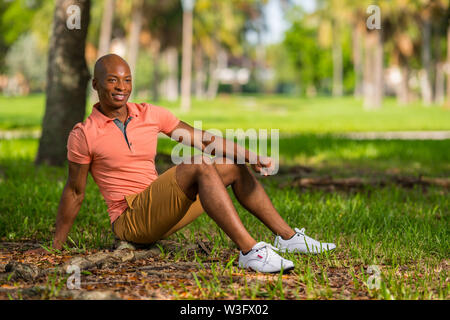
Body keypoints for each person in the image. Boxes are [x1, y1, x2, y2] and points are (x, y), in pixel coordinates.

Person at [30, 54, 335, 273]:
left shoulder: (149, 114)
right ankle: (250, 251)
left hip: (162, 211)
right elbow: (74, 192)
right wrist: (56, 247)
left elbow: (203, 139)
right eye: (112, 80)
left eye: (127, 80)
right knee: (200, 165)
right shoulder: (84, 134)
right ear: (96, 84)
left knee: (231, 167)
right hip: (131, 221)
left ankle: (289, 239)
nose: (121, 86)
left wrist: (251, 156)